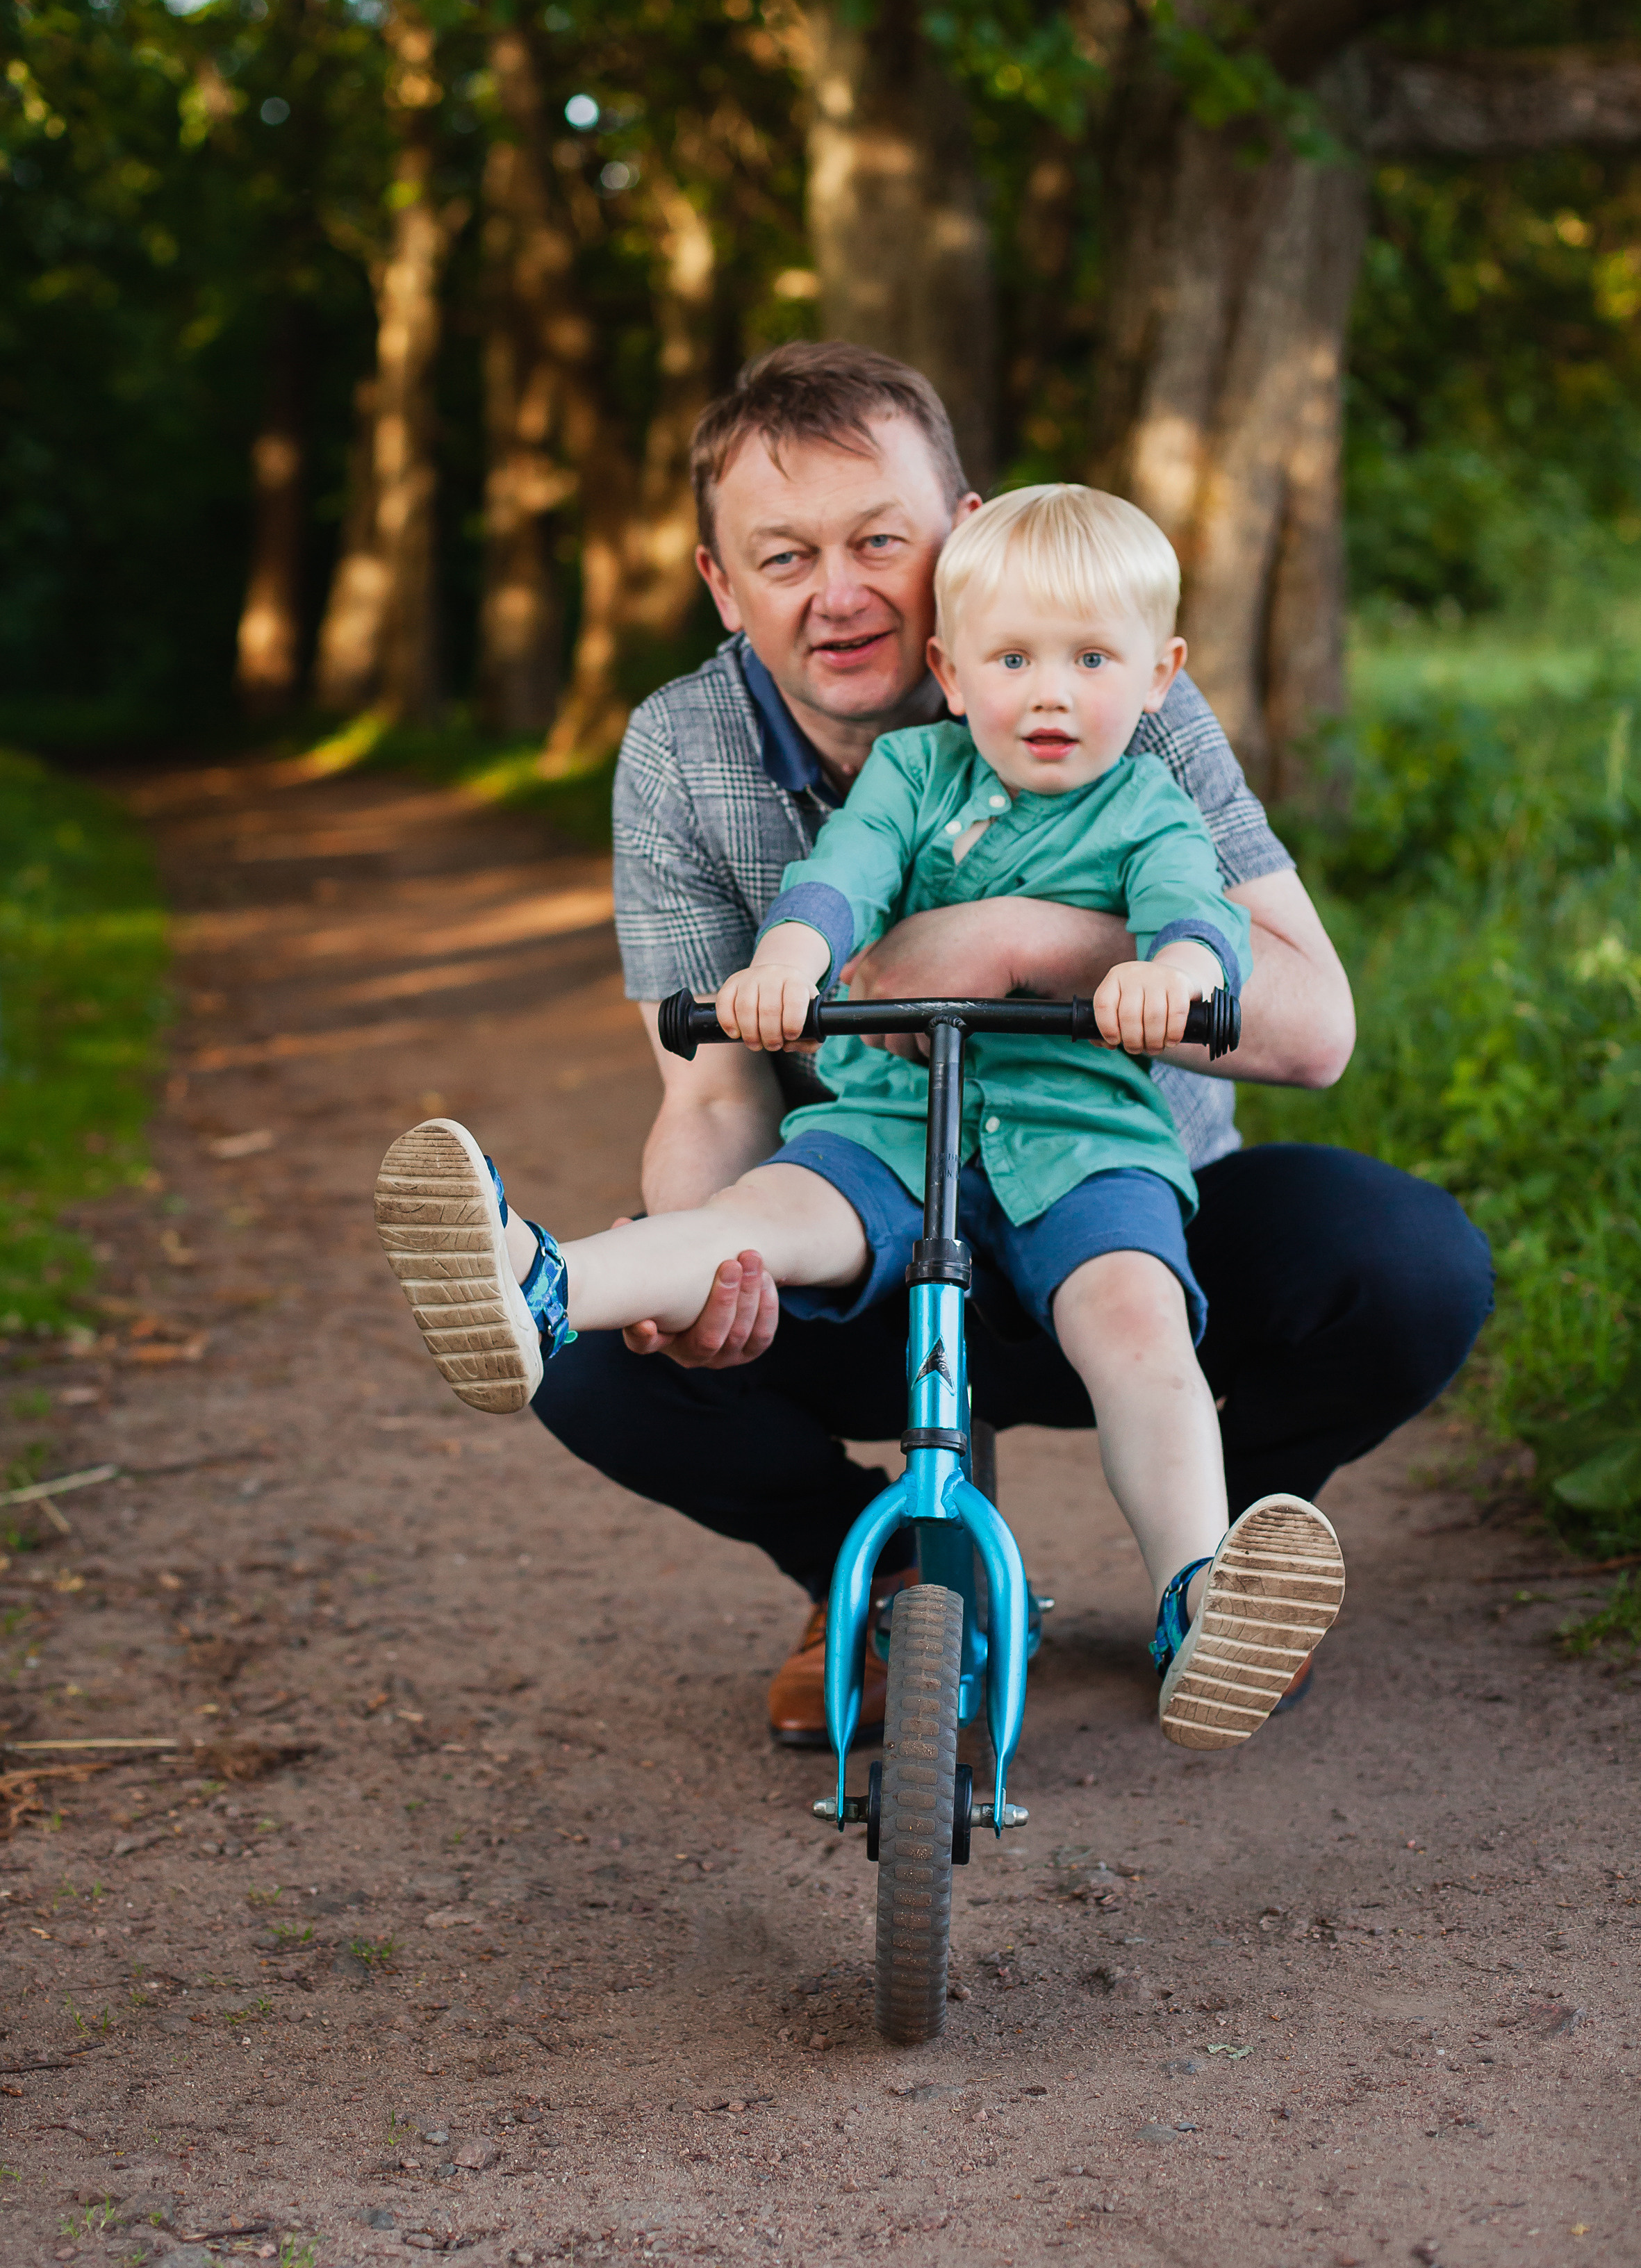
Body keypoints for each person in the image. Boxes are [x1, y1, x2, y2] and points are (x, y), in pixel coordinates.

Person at [420, 342, 1492, 1748]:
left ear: (963, 530)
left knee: (1405, 1262)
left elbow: (1313, 1026)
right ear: (719, 582)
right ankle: (873, 1566)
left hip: (1117, 1202)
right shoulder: (682, 750)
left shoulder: (1104, 682)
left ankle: (1216, 1569)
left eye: (879, 539)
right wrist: (702, 1273)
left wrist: (1014, 939)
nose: (840, 591)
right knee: (602, 1347)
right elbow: (712, 1082)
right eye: (784, 555)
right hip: (862, 1210)